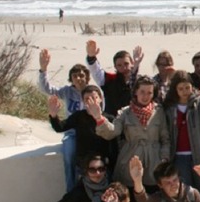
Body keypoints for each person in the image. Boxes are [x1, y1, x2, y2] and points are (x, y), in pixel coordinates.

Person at [90, 75, 170, 190]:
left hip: (154, 162)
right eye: (142, 92)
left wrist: (164, 159)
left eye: (149, 93)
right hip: (130, 160)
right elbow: (112, 132)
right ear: (135, 91)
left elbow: (165, 139)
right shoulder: (125, 112)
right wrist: (99, 118)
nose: (145, 96)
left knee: (153, 193)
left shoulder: (159, 112)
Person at [38, 48, 93, 191]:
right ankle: (71, 190)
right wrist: (43, 70)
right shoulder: (67, 92)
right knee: (69, 158)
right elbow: (46, 89)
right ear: (71, 79)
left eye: (81, 75)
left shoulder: (93, 92)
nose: (78, 78)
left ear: (87, 77)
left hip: (90, 132)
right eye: (75, 76)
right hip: (72, 133)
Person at [163, 70, 200, 202]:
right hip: (179, 157)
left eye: (187, 87)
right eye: (181, 89)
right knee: (185, 194)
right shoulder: (170, 108)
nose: (185, 92)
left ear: (192, 87)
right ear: (175, 90)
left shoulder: (198, 102)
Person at [48, 86, 115, 183]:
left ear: (100, 99)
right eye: (87, 99)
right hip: (83, 167)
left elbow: (114, 142)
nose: (91, 102)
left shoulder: (109, 119)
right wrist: (54, 115)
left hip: (103, 168)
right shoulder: (79, 116)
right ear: (83, 101)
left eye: (94, 98)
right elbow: (60, 127)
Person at [86, 40, 142, 117]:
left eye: (126, 64)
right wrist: (91, 57)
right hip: (111, 119)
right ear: (115, 67)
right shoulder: (109, 79)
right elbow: (96, 71)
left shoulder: (140, 81)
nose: (124, 68)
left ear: (132, 63)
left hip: (133, 120)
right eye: (119, 65)